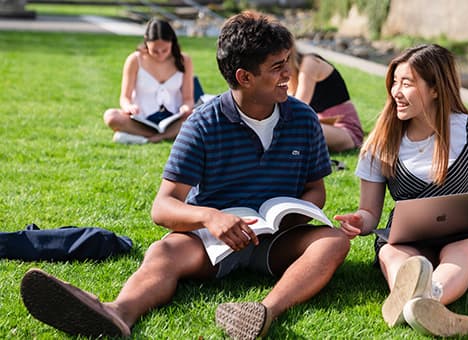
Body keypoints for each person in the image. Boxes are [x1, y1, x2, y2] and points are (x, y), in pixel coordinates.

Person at [20, 11, 350, 339]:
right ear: (244, 77)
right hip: (214, 242)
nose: (287, 74)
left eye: (287, 62)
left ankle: (263, 311)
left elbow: (315, 190)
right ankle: (117, 313)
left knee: (333, 241)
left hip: (277, 241)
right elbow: (163, 207)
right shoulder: (203, 123)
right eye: (277, 67)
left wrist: (293, 216)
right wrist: (211, 218)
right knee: (162, 252)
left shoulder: (304, 119)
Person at [335, 44, 468, 337]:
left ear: (436, 90)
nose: (395, 91)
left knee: (464, 250)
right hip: (407, 242)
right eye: (394, 82)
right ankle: (426, 308)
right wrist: (359, 221)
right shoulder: (382, 141)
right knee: (391, 252)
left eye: (407, 83)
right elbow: (369, 213)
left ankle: (426, 299)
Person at [103, 18, 194, 144]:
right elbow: (125, 98)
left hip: (173, 118)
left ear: (172, 42)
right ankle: (163, 136)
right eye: (155, 51)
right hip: (142, 119)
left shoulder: (185, 60)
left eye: (165, 50)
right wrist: (129, 107)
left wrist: (186, 108)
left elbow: (188, 98)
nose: (160, 55)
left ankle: (149, 138)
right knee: (111, 116)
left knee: (198, 115)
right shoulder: (135, 60)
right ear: (146, 41)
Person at [288, 49, 364, 152]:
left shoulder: (310, 63)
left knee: (296, 129)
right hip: (324, 126)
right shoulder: (289, 75)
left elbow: (296, 110)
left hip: (345, 131)